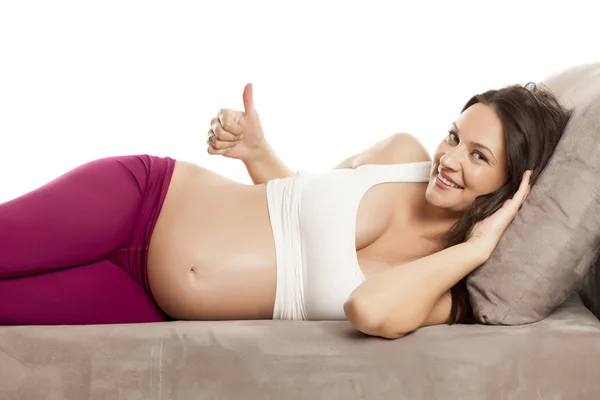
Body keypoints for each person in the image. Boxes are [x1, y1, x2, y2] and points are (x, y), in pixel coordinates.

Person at [0, 82, 571, 339]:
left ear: (513, 186)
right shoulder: (402, 154)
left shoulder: (442, 294)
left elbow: (367, 310)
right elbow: (298, 201)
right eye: (454, 136)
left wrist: (475, 248)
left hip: (146, 301)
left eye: (477, 156)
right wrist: (256, 152)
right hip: (143, 200)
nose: (448, 158)